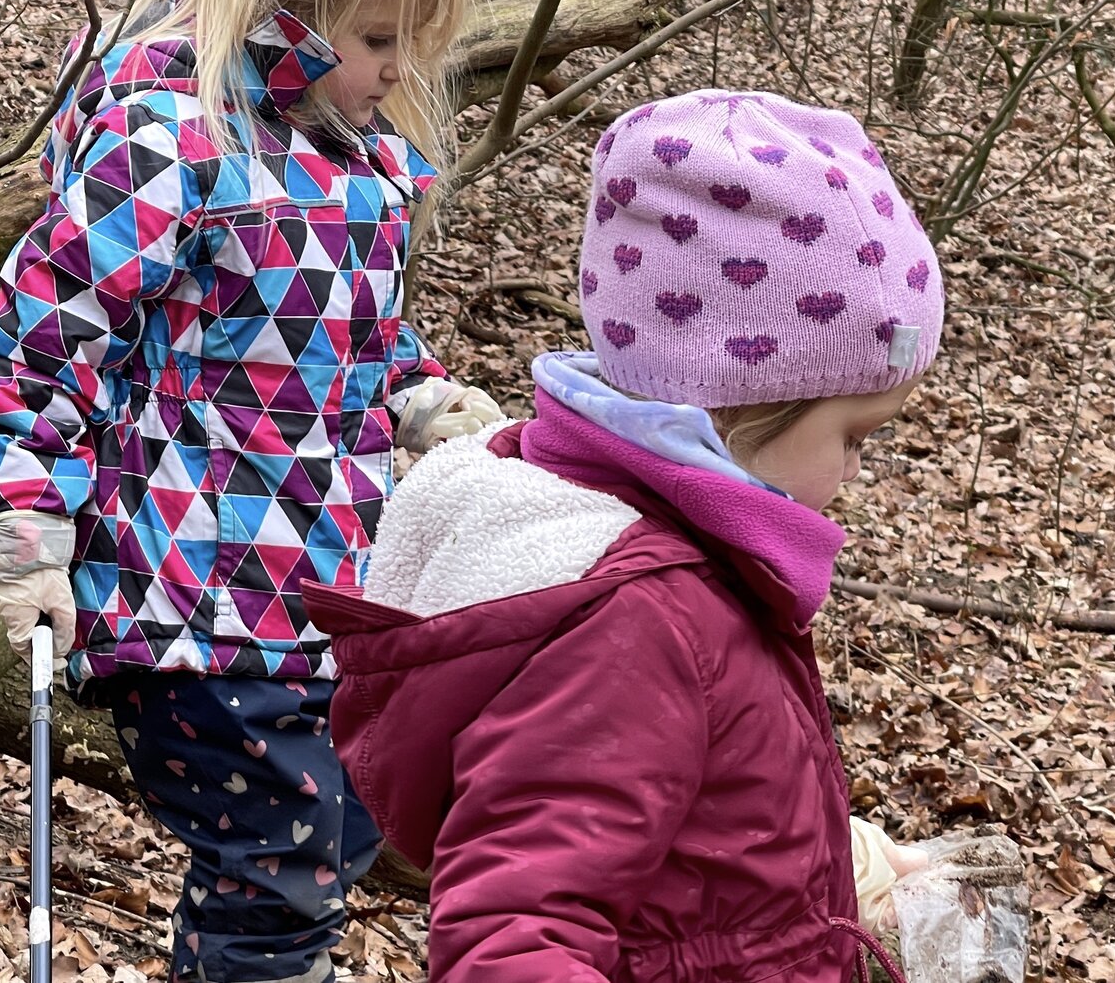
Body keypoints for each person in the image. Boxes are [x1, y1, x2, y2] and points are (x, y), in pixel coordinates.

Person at [0, 0, 498, 982]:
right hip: (186, 588)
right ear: (283, 2)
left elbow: (343, 333)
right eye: (377, 38)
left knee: (347, 826)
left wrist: (421, 401)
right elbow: (49, 338)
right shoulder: (169, 142)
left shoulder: (351, 160)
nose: (399, 71)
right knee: (281, 865)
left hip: (319, 582)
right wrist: (26, 524)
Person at [305, 89, 946, 982]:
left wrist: (833, 861)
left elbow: (674, 803)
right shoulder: (637, 619)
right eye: (854, 435)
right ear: (740, 401)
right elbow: (515, 931)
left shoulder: (673, 559)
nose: (856, 472)